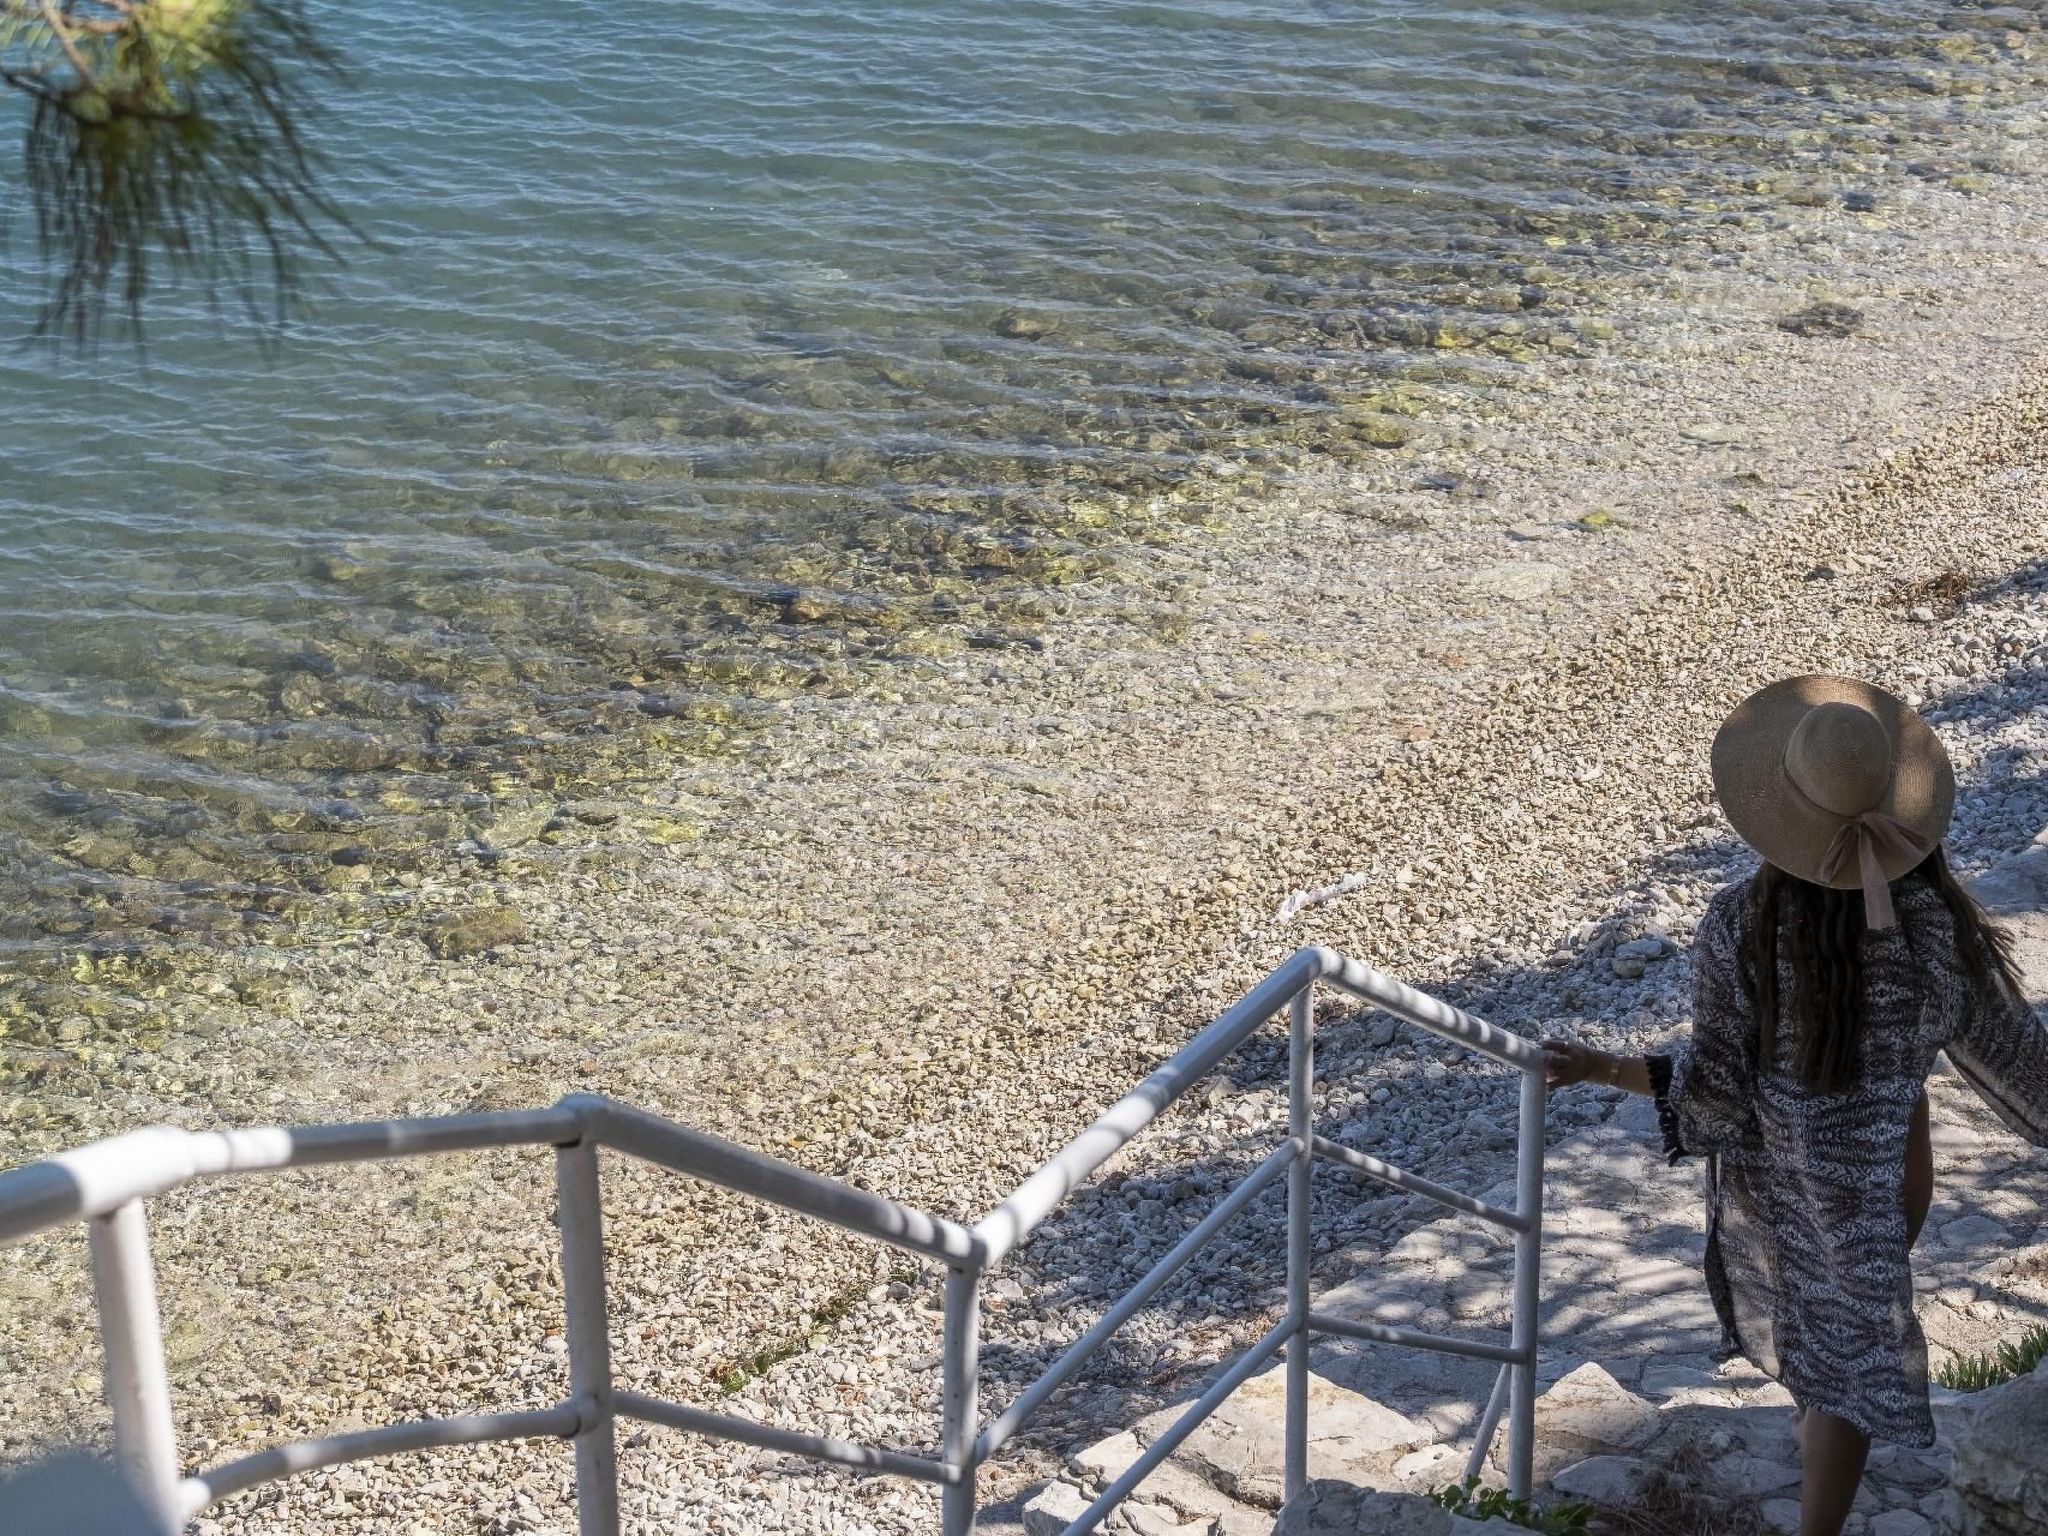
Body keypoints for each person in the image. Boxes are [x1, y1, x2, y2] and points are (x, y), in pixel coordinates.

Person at [1542, 676, 2048, 1536]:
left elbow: (1719, 1088)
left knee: (1837, 1363)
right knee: (1841, 1338)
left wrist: (1606, 1068)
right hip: (1894, 1171)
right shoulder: (1935, 923)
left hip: (1789, 1178)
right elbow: (2022, 1061)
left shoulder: (1741, 924)